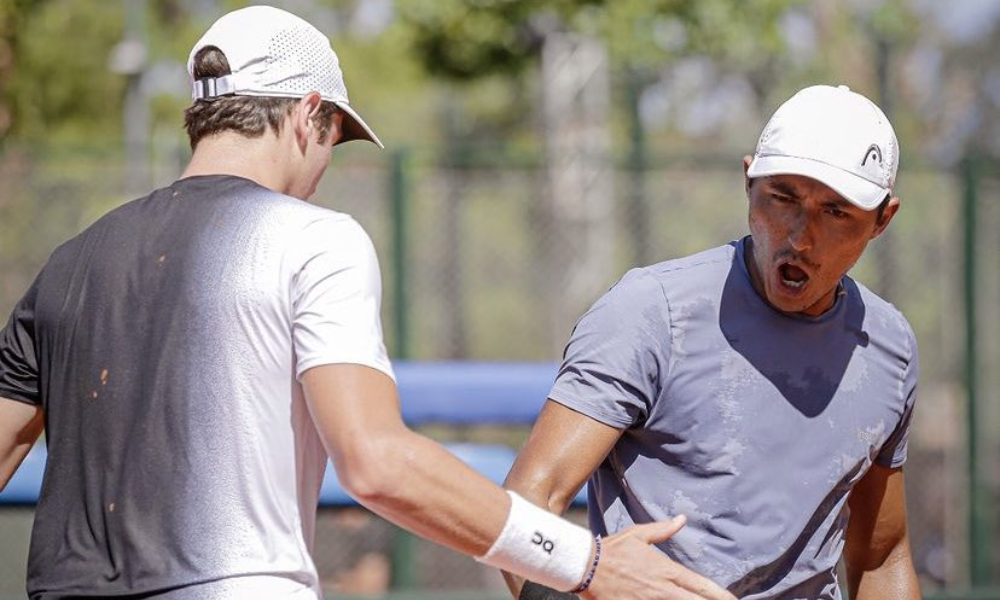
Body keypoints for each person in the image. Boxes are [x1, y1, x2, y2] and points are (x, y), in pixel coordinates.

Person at [0, 6, 736, 600]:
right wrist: (585, 561)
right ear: (306, 114)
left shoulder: (70, 262)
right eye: (333, 140)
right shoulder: (314, 240)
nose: (325, 165)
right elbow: (377, 463)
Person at [503, 84, 921, 600]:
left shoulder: (889, 346)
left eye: (836, 212)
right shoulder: (651, 312)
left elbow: (880, 555)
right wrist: (588, 584)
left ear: (883, 219)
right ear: (748, 181)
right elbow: (529, 502)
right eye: (782, 197)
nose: (801, 237)